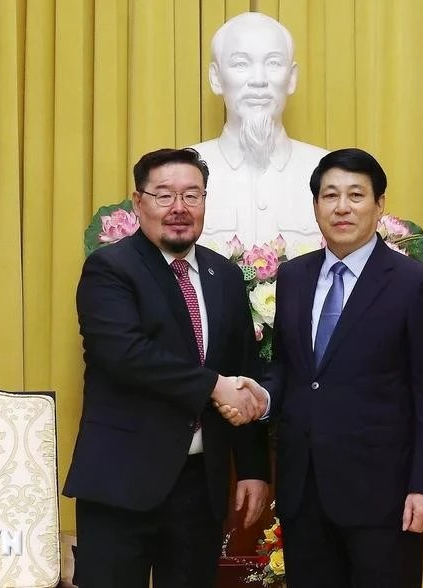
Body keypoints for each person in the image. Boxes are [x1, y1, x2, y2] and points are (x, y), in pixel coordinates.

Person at [229, 148, 423, 587]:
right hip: (304, 490)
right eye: (330, 195)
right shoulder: (293, 277)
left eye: (356, 195)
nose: (342, 207)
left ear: (379, 204)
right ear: (316, 206)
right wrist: (265, 396)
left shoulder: (412, 284)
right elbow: (294, 371)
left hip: (383, 495)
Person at [64, 147, 270, 587]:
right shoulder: (110, 269)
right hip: (122, 480)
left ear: (204, 203)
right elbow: (125, 355)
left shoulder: (225, 276)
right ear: (138, 202)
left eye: (191, 195)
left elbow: (242, 368)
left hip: (201, 484)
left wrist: (252, 467)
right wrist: (214, 386)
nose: (179, 208)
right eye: (164, 195)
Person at [191, 12, 328, 252]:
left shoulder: (329, 171)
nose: (258, 80)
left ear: (292, 78)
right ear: (215, 78)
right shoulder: (177, 174)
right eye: (241, 64)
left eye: (273, 63)